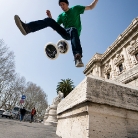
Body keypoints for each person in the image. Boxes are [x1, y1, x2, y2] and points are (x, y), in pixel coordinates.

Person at [14, 0, 98, 67]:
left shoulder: (75, 9)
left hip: (73, 33)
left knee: (73, 29)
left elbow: (90, 7)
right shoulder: (61, 16)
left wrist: (96, 0)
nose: (62, 7)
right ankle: (27, 28)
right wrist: (50, 17)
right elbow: (55, 27)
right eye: (60, 5)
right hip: (65, 32)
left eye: (63, 4)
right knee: (49, 20)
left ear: (67, 4)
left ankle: (77, 57)